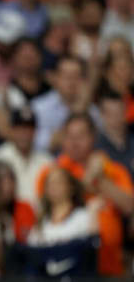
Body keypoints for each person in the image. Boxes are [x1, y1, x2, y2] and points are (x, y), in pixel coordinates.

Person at [36, 113, 134, 276]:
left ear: (93, 137)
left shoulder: (112, 169)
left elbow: (130, 206)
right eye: (70, 135)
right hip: (67, 266)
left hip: (109, 264)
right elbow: (53, 202)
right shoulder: (52, 172)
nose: (75, 142)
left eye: (81, 135)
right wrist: (88, 179)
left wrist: (101, 179)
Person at [25, 167, 99, 278]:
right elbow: (31, 255)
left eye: (58, 182)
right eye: (50, 183)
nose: (54, 187)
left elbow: (91, 250)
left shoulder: (83, 217)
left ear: (71, 187)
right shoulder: (41, 223)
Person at [0, 107, 52, 209]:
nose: (24, 134)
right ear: (11, 130)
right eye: (19, 129)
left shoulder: (47, 162)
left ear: (35, 132)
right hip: (6, 219)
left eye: (28, 129)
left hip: (40, 220)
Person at [97, 91, 134, 178]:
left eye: (120, 112)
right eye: (111, 114)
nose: (116, 118)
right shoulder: (95, 147)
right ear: (102, 115)